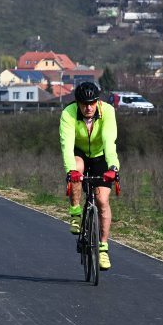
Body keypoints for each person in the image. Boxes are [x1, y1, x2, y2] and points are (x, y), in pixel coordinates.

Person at [59, 81, 120, 270]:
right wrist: (71, 171)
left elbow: (110, 141)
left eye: (92, 103)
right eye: (84, 103)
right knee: (76, 168)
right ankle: (76, 213)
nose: (88, 107)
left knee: (102, 200)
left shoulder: (108, 111)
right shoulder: (68, 114)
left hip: (101, 156)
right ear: (77, 102)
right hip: (79, 153)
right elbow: (66, 146)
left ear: (97, 101)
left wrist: (113, 167)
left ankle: (102, 248)